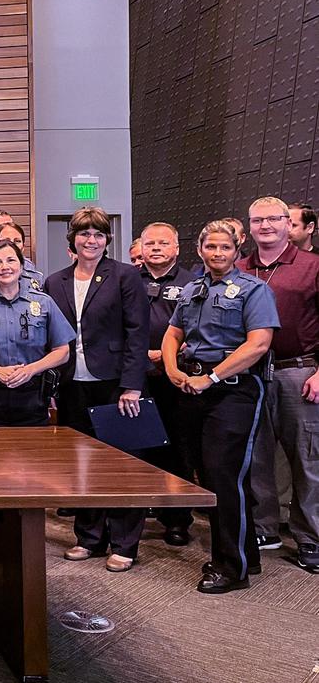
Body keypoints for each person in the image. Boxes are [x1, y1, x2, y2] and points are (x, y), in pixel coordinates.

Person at [163, 220, 279, 593]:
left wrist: (211, 377)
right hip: (193, 388)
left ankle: (231, 568)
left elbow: (258, 344)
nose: (217, 253)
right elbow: (173, 333)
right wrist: (170, 369)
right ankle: (248, 555)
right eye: (211, 247)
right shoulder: (191, 289)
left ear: (236, 251)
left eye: (225, 248)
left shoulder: (253, 290)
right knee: (214, 476)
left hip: (233, 390)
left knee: (222, 477)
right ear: (200, 250)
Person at [44, 207, 150, 573]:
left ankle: (124, 543)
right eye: (84, 234)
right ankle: (89, 536)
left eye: (99, 235)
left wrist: (132, 386)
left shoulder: (124, 276)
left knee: (123, 465)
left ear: (107, 240)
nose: (91, 241)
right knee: (81, 463)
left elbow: (138, 333)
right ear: (71, 239)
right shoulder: (54, 281)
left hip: (115, 386)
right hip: (73, 384)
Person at [237, 197, 319, 573]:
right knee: (255, 457)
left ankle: (309, 538)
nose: (265, 225)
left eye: (273, 219)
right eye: (257, 220)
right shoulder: (238, 269)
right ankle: (264, 528)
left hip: (298, 372)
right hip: (251, 373)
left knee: (307, 459)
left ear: (289, 224)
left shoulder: (312, 267)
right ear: (249, 227)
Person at [0, 239, 74, 427]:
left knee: (33, 455)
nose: (5, 267)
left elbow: (63, 352)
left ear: (21, 266)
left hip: (33, 401)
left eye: (11, 260)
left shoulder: (44, 303)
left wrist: (30, 370)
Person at [136, 222, 198, 545]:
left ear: (177, 248)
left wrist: (166, 355)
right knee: (139, 448)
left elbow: (198, 330)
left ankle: (178, 519)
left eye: (164, 242)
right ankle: (140, 513)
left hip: (175, 379)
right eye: (150, 243)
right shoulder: (128, 280)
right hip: (136, 378)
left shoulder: (192, 282)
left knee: (178, 450)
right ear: (141, 248)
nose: (156, 248)